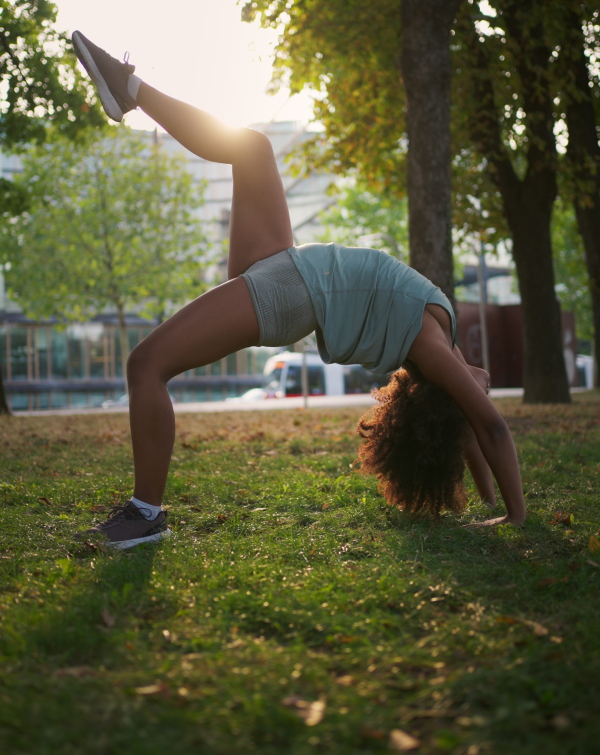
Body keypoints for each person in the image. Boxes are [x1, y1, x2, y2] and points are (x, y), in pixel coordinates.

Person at [71, 31, 526, 550]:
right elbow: (473, 429)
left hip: (294, 292)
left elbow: (488, 428)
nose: (483, 383)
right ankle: (127, 87)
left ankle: (144, 515)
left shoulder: (429, 344)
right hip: (288, 266)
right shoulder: (441, 335)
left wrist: (513, 516)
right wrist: (487, 498)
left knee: (145, 365)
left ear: (442, 397)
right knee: (253, 148)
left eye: (473, 392)